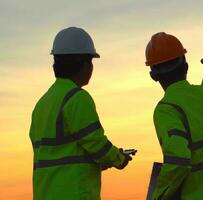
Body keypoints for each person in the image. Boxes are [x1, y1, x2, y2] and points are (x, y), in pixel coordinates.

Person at [29, 27, 133, 200]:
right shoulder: (77, 98)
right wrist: (119, 159)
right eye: (90, 62)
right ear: (83, 64)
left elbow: (62, 156)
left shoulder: (42, 104)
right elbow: (97, 144)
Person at [145, 32, 203, 200]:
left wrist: (159, 195)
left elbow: (178, 160)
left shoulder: (166, 110)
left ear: (153, 76)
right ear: (186, 67)